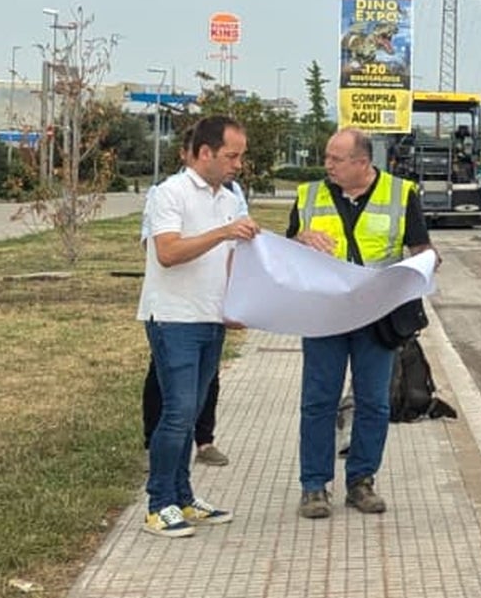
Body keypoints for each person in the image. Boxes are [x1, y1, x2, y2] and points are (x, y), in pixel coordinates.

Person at [286, 126, 434, 519]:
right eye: (327, 157)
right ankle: (314, 486)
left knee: (373, 402)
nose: (327, 165)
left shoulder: (402, 194)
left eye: (336, 159)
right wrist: (301, 239)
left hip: (375, 317)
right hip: (325, 314)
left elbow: (422, 249)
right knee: (319, 401)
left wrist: (422, 268)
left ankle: (361, 482)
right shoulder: (309, 195)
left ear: (363, 163)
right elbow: (286, 251)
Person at [136, 115, 259, 537]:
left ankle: (184, 498)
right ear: (205, 153)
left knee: (193, 414)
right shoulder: (169, 194)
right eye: (231, 155)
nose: (238, 164)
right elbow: (168, 252)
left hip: (211, 318)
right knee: (178, 411)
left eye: (241, 155)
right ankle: (158, 504)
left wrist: (235, 305)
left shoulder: (228, 198)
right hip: (173, 317)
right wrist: (223, 231)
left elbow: (231, 258)